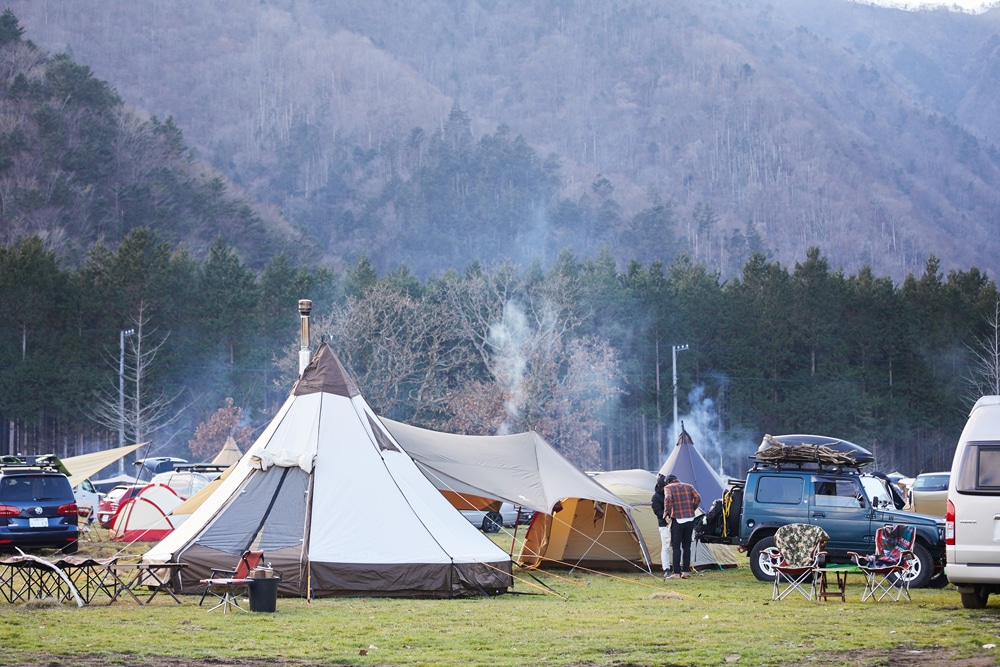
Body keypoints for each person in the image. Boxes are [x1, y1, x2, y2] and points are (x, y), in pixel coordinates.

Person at [661, 474, 701, 579]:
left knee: (676, 547)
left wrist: (667, 512)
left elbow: (668, 499)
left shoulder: (668, 487)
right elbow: (698, 498)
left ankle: (676, 573)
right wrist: (692, 509)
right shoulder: (689, 486)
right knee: (687, 546)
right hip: (690, 519)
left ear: (668, 482)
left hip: (677, 519)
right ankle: (686, 572)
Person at [650, 474, 671, 577]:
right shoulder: (655, 498)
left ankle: (677, 567)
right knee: (666, 547)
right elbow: (657, 511)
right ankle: (666, 568)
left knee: (677, 546)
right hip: (663, 525)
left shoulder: (671, 493)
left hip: (673, 522)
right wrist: (666, 516)